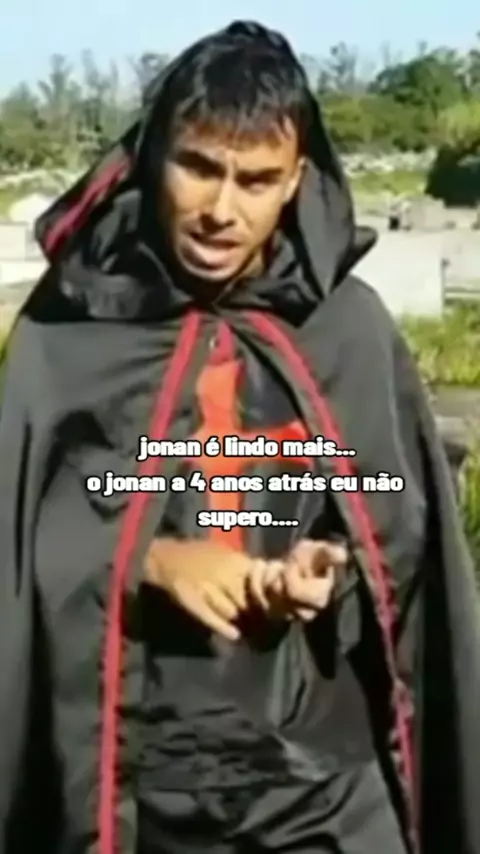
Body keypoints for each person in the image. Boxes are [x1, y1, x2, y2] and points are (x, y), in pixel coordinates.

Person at [0, 20, 479, 854]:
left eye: (256, 180)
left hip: (327, 779)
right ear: (153, 156)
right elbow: (24, 528)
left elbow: (401, 531)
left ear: (296, 180)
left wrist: (327, 566)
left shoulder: (348, 330)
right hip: (144, 781)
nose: (222, 210)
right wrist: (150, 558)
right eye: (199, 167)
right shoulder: (72, 329)